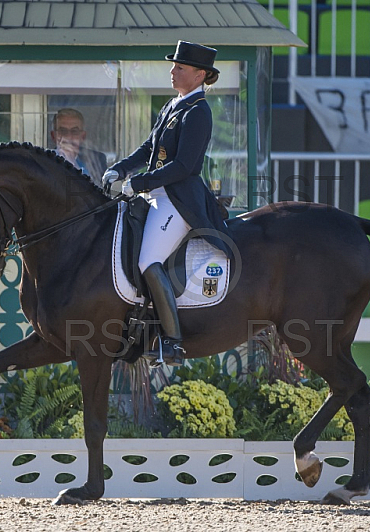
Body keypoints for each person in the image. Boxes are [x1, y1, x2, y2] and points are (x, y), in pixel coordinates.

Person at [103, 41, 234, 367]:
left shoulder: (198, 112)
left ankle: (172, 342)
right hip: (156, 194)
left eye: (180, 68)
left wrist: (137, 183)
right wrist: (120, 168)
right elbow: (149, 148)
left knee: (149, 260)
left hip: (178, 199)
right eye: (173, 66)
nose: (172, 71)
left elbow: (184, 167)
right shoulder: (174, 105)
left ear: (200, 74)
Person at [50, 108, 107, 181]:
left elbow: (99, 188)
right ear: (53, 136)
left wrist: (72, 162)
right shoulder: (44, 159)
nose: (69, 137)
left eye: (74, 131)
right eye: (63, 131)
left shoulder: (97, 159)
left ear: (83, 136)